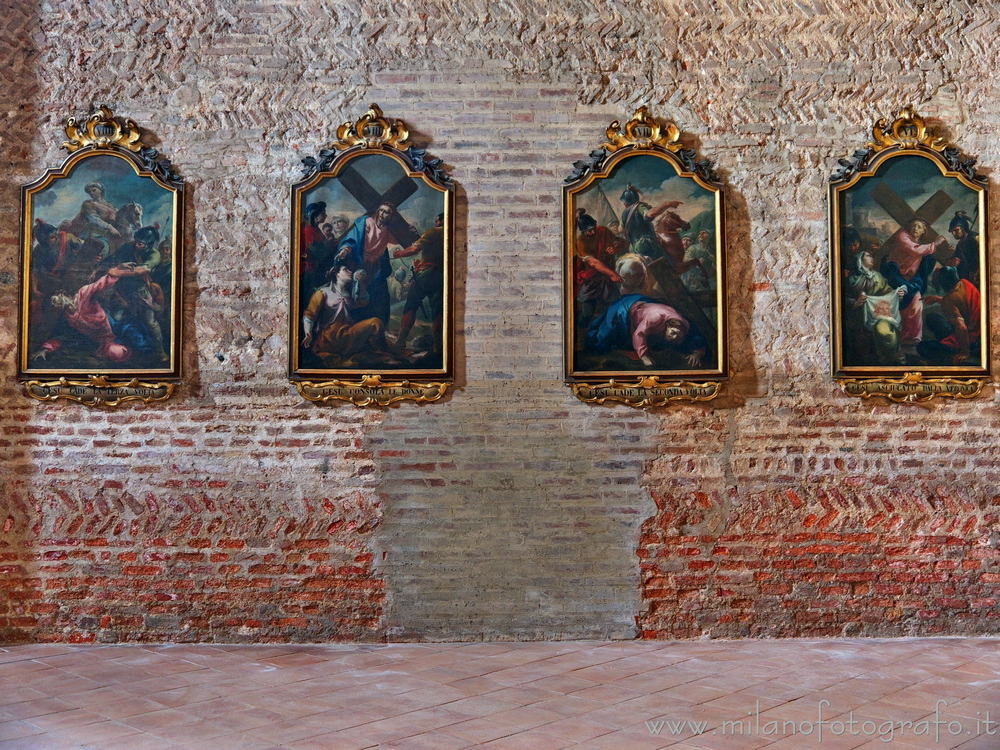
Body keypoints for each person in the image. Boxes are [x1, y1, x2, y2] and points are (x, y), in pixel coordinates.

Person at [585, 256, 708, 368]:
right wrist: (643, 356)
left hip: (647, 306)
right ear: (669, 325)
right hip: (628, 308)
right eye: (674, 333)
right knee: (606, 334)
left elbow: (695, 336)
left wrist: (697, 353)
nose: (674, 337)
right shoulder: (655, 318)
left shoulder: (683, 325)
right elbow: (639, 334)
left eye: (677, 336)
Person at [30, 265, 148, 364]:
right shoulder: (68, 319)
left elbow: (102, 283)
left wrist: (117, 270)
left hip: (115, 326)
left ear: (63, 294)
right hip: (105, 341)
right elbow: (64, 337)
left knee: (139, 340)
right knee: (115, 353)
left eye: (55, 298)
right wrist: (46, 348)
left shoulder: (83, 294)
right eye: (54, 304)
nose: (56, 303)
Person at [301, 263, 387, 365]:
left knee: (375, 324)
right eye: (346, 269)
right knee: (375, 324)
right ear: (337, 274)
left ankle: (382, 356)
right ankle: (382, 356)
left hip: (347, 334)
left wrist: (361, 284)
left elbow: (363, 302)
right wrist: (308, 333)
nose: (350, 272)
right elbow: (309, 314)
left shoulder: (347, 295)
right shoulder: (323, 293)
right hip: (329, 339)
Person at [880, 218, 948, 346]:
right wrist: (936, 243)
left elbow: (922, 253)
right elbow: (915, 250)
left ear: (924, 231)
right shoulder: (902, 237)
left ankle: (913, 338)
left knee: (916, 304)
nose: (915, 228)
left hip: (910, 280)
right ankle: (894, 337)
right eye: (913, 226)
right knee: (896, 306)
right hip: (895, 277)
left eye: (919, 227)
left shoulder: (921, 244)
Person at [335, 201, 401, 324]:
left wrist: (411, 231)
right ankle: (353, 323)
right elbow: (354, 238)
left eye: (386, 212)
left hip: (375, 267)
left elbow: (401, 240)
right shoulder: (367, 223)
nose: (382, 214)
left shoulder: (388, 231)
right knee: (356, 292)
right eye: (381, 210)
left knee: (378, 294)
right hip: (360, 262)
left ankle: (380, 325)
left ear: (390, 216)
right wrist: (345, 249)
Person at [390, 213, 446, 352]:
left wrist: (400, 254)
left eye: (437, 221)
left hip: (426, 275)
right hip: (440, 276)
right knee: (438, 312)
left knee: (411, 305)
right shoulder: (453, 235)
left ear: (443, 220)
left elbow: (414, 249)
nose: (436, 224)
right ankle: (438, 347)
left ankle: (400, 342)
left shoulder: (433, 232)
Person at [844, 250, 907, 364]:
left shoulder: (878, 276)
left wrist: (897, 295)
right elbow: (844, 298)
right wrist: (856, 302)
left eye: (872, 256)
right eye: (868, 256)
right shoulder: (852, 279)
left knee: (885, 332)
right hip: (858, 316)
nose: (871, 258)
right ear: (860, 260)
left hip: (878, 314)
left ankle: (893, 357)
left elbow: (888, 292)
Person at [918, 266, 981, 365]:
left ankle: (949, 355)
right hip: (979, 329)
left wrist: (964, 352)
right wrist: (939, 299)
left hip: (971, 339)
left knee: (922, 347)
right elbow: (960, 302)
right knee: (932, 318)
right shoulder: (965, 283)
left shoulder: (948, 301)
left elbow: (961, 328)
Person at [572, 210, 624, 327]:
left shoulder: (603, 231)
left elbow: (621, 241)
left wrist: (615, 248)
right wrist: (612, 273)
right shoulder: (581, 242)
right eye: (589, 231)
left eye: (593, 227)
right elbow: (594, 262)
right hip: (592, 280)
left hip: (608, 280)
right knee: (586, 315)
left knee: (613, 308)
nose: (593, 231)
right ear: (583, 232)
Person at [946, 211, 979, 284]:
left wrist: (977, 272)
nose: (954, 234)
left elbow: (986, 257)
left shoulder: (975, 239)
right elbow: (957, 259)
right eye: (952, 232)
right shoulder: (960, 245)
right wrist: (953, 261)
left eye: (956, 230)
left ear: (963, 228)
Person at [301, 202, 328, 285]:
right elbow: (317, 252)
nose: (326, 215)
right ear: (315, 216)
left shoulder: (314, 228)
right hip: (309, 270)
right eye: (323, 213)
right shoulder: (308, 230)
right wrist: (330, 245)